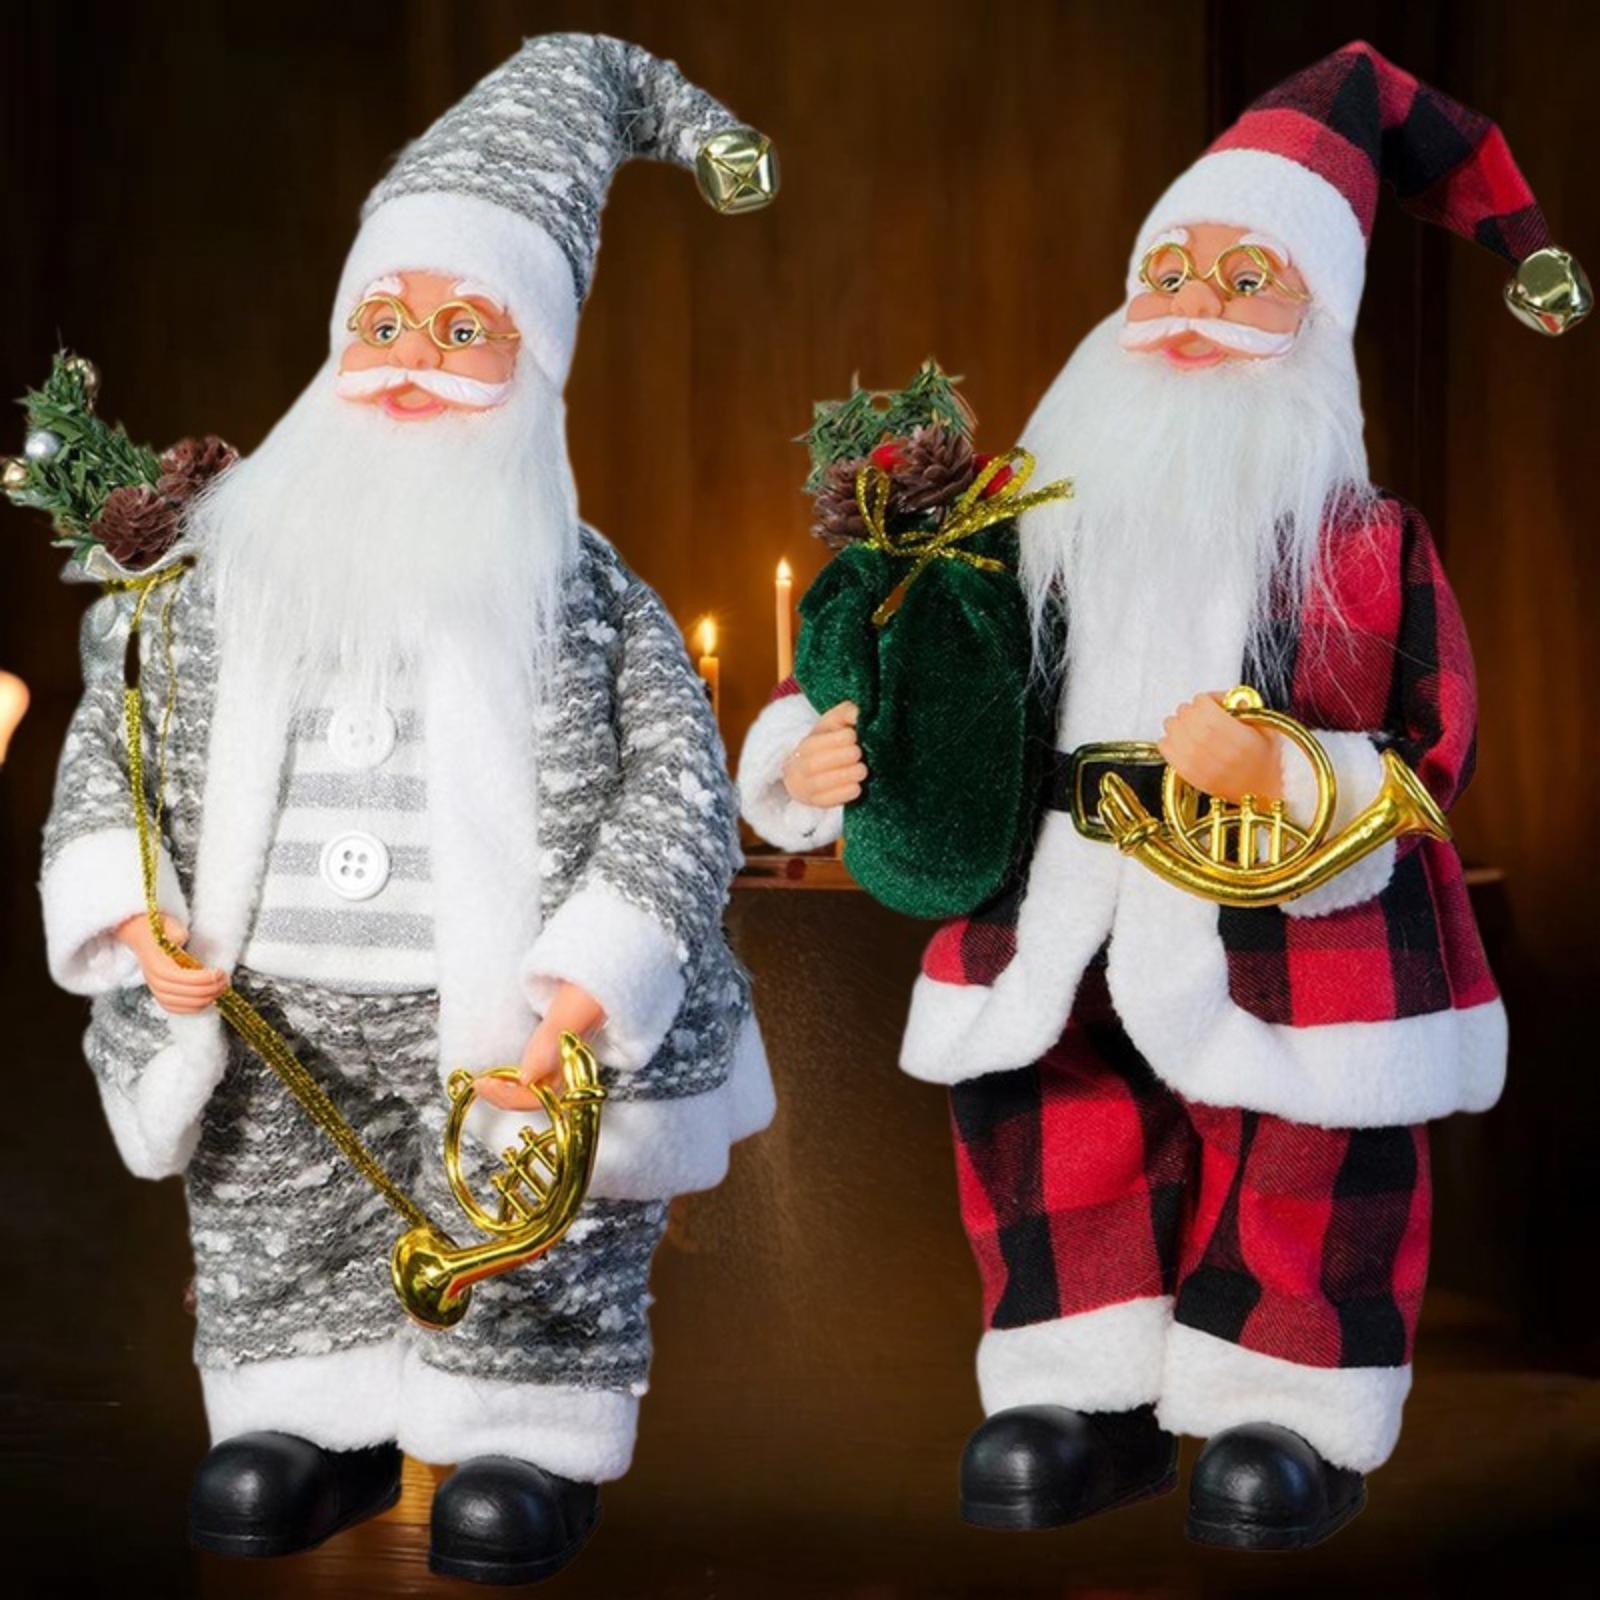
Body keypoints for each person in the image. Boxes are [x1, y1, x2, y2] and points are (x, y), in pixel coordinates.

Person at [739, 39, 1586, 1550]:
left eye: (1247, 281)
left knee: (1304, 1150)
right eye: (1169, 273)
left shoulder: (1364, 548)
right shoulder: (1024, 519)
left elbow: (1429, 749)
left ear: (1316, 322)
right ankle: (1083, 1398)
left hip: (1291, 927)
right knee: (1053, 1127)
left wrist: (1287, 772)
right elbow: (908, 648)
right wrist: (811, 757)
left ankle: (1290, 1408)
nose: (1194, 307)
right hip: (1056, 895)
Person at [40, 32, 776, 1586]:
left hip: (507, 1012)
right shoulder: (219, 578)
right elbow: (122, 732)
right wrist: (131, 909)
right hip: (272, 1006)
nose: (410, 358)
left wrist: (592, 979)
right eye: (381, 321)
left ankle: (523, 1442)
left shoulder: (589, 598)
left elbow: (680, 790)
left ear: (536, 364)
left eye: (462, 327)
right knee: (278, 1222)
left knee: (525, 1222)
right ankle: (310, 1424)